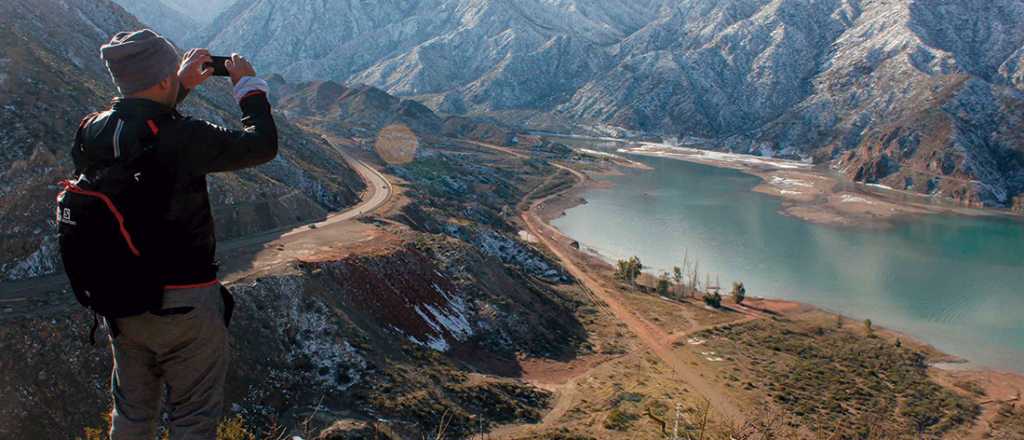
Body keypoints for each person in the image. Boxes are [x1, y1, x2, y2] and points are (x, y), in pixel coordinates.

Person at [74, 29, 278, 439]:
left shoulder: (90, 132)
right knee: (192, 420)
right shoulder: (185, 136)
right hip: (185, 303)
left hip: (121, 301)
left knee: (131, 415)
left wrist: (178, 86)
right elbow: (262, 145)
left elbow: (140, 133)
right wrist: (249, 89)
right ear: (165, 79)